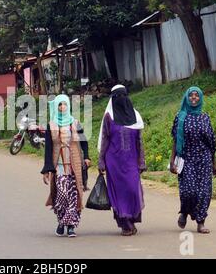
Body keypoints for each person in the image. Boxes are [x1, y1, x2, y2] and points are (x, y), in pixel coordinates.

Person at [98, 85, 146, 236]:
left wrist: (142, 161)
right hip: (114, 161)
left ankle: (131, 219)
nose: (120, 100)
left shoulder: (135, 116)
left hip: (131, 161)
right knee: (118, 193)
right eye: (116, 97)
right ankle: (125, 224)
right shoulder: (109, 117)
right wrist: (101, 160)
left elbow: (139, 141)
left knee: (132, 189)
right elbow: (105, 139)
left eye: (122, 96)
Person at [41, 94, 91, 238]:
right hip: (59, 165)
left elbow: (84, 141)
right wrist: (47, 169)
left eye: (64, 104)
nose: (62, 107)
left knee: (74, 195)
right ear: (56, 107)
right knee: (61, 194)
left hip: (74, 164)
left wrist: (86, 156)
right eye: (59, 105)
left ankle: (70, 226)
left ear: (68, 106)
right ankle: (61, 221)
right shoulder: (52, 125)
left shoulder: (75, 123)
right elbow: (48, 149)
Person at [170, 87, 216, 234]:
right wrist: (172, 161)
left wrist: (214, 163)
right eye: (191, 95)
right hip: (187, 158)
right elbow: (175, 140)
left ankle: (200, 222)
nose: (194, 98)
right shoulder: (180, 117)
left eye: (197, 96)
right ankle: (184, 212)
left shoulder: (205, 118)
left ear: (201, 98)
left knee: (204, 192)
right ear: (186, 97)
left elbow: (211, 143)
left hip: (204, 159)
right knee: (188, 191)